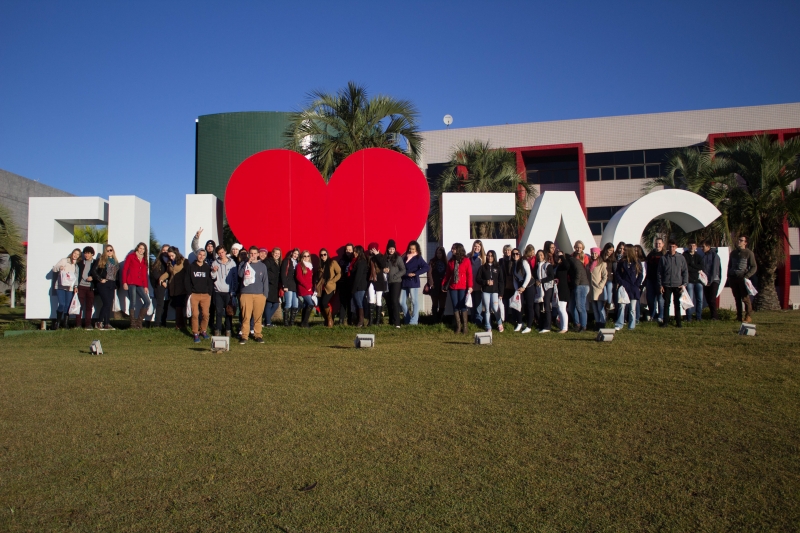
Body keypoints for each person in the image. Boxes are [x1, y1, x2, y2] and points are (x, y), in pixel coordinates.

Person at [238, 246, 269, 344]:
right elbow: (240, 275)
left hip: (259, 294)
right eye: (251, 253)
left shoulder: (262, 266)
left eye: (255, 253)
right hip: (246, 294)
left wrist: (265, 295)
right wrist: (247, 263)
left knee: (258, 317)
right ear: (248, 254)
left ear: (258, 254)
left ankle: (258, 335)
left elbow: (265, 281)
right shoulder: (243, 263)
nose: (253, 255)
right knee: (246, 317)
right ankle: (244, 335)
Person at [442, 242, 473, 335]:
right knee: (455, 306)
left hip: (463, 287)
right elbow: (447, 274)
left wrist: (470, 286)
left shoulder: (466, 260)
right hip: (453, 287)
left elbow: (469, 274)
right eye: (452, 248)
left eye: (454, 248)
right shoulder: (451, 261)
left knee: (463, 306)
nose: (452, 250)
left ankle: (465, 327)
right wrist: (443, 284)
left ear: (459, 249)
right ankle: (458, 326)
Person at [657, 239, 689, 328]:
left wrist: (684, 284)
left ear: (676, 247)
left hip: (678, 285)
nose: (672, 248)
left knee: (677, 304)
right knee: (666, 304)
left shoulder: (681, 258)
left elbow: (685, 271)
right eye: (670, 246)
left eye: (673, 246)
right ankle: (665, 322)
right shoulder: (664, 258)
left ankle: (678, 322)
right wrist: (660, 285)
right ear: (668, 247)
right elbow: (659, 272)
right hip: (666, 285)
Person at [185, 249, 213, 342]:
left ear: (205, 257)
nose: (201, 256)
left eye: (203, 255)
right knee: (195, 314)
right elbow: (187, 280)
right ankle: (195, 333)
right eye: (200, 254)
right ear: (197, 255)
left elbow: (210, 281)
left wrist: (209, 292)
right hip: (194, 294)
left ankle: (203, 330)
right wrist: (190, 292)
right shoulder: (191, 267)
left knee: (206, 314)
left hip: (205, 295)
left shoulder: (207, 267)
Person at [728, 235, 757, 323]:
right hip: (733, 277)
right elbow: (730, 265)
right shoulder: (733, 253)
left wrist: (747, 276)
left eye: (741, 240)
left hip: (742, 278)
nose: (739, 241)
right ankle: (739, 316)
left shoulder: (749, 253)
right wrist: (729, 275)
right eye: (739, 240)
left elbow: (754, 266)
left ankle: (748, 316)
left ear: (745, 243)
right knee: (737, 298)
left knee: (745, 298)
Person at [122, 242, 151, 330]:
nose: (141, 250)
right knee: (133, 302)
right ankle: (132, 323)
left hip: (140, 283)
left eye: (143, 249)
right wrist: (124, 282)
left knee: (147, 301)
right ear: (137, 248)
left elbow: (144, 274)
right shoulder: (131, 256)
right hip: (131, 282)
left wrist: (146, 286)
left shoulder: (144, 259)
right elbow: (125, 269)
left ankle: (139, 322)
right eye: (140, 248)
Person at [210, 245, 237, 336]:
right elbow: (213, 277)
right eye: (219, 253)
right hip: (218, 291)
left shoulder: (232, 263)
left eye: (222, 252)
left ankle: (228, 329)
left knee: (229, 312)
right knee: (218, 312)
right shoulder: (215, 263)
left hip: (229, 292)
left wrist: (233, 290)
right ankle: (218, 329)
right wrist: (213, 271)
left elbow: (235, 278)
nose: (221, 254)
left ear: (225, 252)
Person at [614, 245, 643, 331]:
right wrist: (621, 282)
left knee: (632, 308)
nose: (623, 251)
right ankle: (620, 324)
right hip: (624, 286)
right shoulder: (622, 262)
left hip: (633, 287)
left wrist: (637, 284)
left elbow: (640, 274)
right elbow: (617, 273)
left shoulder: (637, 262)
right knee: (622, 306)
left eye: (625, 250)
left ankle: (631, 326)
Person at [400, 241, 429, 325]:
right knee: (401, 301)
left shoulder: (418, 258)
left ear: (417, 249)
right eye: (410, 248)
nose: (411, 250)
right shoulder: (405, 257)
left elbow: (426, 267)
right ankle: (407, 319)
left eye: (413, 249)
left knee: (414, 301)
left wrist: (416, 273)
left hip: (413, 282)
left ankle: (414, 321)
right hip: (404, 281)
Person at [52, 248, 81, 330]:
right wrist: (60, 267)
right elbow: (54, 269)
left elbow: (76, 277)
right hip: (60, 286)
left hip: (69, 287)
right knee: (62, 304)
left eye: (77, 254)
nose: (75, 255)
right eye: (75, 253)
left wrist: (76, 286)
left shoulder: (76, 265)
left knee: (68, 305)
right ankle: (57, 322)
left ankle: (65, 323)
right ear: (72, 253)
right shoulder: (64, 260)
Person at [477, 250, 504, 332]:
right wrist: (486, 282)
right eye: (488, 255)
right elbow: (478, 279)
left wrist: (501, 293)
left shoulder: (498, 268)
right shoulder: (482, 268)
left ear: (494, 257)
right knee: (487, 309)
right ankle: (488, 326)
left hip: (495, 292)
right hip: (485, 291)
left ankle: (500, 323)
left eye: (491, 256)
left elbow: (501, 281)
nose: (490, 257)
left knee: (495, 308)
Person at [94, 244, 120, 330]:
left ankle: (107, 323)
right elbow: (93, 271)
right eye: (107, 250)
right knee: (106, 303)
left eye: (110, 250)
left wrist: (117, 285)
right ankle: (99, 322)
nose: (109, 252)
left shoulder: (115, 262)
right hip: (103, 284)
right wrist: (100, 279)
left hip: (112, 284)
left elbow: (117, 275)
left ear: (113, 251)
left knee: (109, 304)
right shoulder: (101, 260)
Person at [164, 246, 189, 331]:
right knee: (177, 306)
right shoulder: (169, 262)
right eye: (169, 256)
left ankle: (178, 325)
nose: (171, 257)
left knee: (179, 306)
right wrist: (161, 278)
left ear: (176, 254)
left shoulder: (184, 261)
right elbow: (168, 273)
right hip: (173, 287)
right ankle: (182, 324)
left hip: (182, 287)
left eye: (172, 255)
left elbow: (188, 272)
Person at [511, 247, 534, 333]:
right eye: (513, 254)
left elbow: (528, 274)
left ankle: (529, 326)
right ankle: (520, 323)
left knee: (529, 306)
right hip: (520, 286)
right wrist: (517, 289)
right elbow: (514, 278)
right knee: (518, 305)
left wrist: (524, 286)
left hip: (529, 286)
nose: (515, 255)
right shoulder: (514, 264)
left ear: (520, 254)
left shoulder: (524, 262)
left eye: (517, 254)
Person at [569, 241, 590, 332]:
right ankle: (577, 323)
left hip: (581, 283)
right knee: (572, 306)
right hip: (574, 283)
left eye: (580, 247)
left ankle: (583, 325)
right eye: (577, 247)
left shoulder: (585, 257)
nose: (578, 249)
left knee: (580, 306)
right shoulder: (571, 256)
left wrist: (576, 283)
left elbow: (582, 272)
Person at [75, 246, 98, 330]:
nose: (86, 255)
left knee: (89, 306)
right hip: (81, 286)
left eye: (88, 253)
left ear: (92, 254)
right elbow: (76, 275)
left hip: (90, 288)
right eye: (85, 253)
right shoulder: (80, 263)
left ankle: (88, 324)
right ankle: (78, 324)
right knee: (79, 306)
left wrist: (93, 277)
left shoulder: (95, 263)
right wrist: (76, 286)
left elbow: (99, 273)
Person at [317, 248, 341, 327]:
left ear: (327, 254)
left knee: (324, 302)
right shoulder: (320, 265)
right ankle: (326, 320)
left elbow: (339, 273)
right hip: (321, 288)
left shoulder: (332, 262)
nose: (323, 256)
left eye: (325, 254)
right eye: (321, 255)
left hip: (330, 287)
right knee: (320, 304)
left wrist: (333, 281)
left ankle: (330, 320)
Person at [532, 249, 554, 333]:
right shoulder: (537, 266)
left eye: (541, 255)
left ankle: (547, 326)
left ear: (544, 256)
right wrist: (536, 281)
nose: (539, 256)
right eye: (538, 255)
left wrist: (541, 281)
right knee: (537, 308)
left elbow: (551, 276)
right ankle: (541, 325)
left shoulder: (548, 265)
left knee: (546, 306)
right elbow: (535, 276)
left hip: (547, 288)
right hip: (539, 288)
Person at [682, 240, 704, 322]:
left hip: (698, 281)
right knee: (689, 300)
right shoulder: (685, 255)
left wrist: (692, 266)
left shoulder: (698, 256)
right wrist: (695, 268)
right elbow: (686, 267)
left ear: (696, 247)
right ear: (688, 246)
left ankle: (699, 317)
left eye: (693, 245)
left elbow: (701, 266)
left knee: (700, 299)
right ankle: (689, 317)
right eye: (690, 245)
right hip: (689, 280)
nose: (692, 247)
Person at [385, 240, 406, 328]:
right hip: (387, 282)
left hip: (396, 282)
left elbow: (403, 270)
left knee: (394, 300)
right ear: (387, 249)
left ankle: (397, 322)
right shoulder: (385, 258)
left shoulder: (398, 258)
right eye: (390, 249)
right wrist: (384, 270)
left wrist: (396, 275)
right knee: (388, 301)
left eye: (393, 249)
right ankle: (391, 320)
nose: (391, 250)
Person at [150, 244, 171, 327]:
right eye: (163, 250)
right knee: (160, 305)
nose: (165, 252)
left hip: (168, 287)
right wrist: (162, 282)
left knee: (166, 306)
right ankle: (157, 324)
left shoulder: (170, 262)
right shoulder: (157, 262)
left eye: (167, 250)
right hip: (159, 286)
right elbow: (155, 274)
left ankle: (163, 323)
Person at [645, 238, 665, 323]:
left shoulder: (664, 254)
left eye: (659, 243)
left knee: (660, 299)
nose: (658, 245)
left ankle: (661, 316)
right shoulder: (650, 254)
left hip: (660, 281)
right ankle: (653, 315)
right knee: (650, 299)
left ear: (663, 244)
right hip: (650, 279)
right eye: (656, 243)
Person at [367, 243, 387, 326]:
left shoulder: (381, 256)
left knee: (379, 299)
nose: (372, 251)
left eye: (374, 249)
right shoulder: (368, 257)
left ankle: (378, 321)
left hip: (379, 280)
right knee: (371, 299)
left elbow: (383, 265)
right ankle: (371, 321)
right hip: (371, 280)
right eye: (371, 249)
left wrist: (377, 255)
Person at [349, 245, 369, 327]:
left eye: (356, 251)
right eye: (354, 251)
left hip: (359, 286)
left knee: (359, 303)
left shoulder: (361, 262)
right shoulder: (356, 261)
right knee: (358, 303)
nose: (354, 253)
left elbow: (358, 275)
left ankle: (361, 321)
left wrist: (354, 288)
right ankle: (359, 320)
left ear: (359, 252)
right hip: (357, 286)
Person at [427, 246, 448, 323]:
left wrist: (446, 285)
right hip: (434, 285)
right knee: (435, 303)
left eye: (440, 253)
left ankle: (440, 319)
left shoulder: (446, 262)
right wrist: (431, 284)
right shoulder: (432, 261)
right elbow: (429, 273)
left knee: (442, 304)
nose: (439, 255)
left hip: (443, 286)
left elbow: (448, 274)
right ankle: (435, 320)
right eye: (437, 253)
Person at [295, 251, 316, 328]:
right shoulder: (299, 265)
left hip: (309, 289)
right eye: (305, 256)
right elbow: (299, 277)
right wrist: (307, 286)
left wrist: (312, 287)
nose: (306, 257)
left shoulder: (310, 265)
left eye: (308, 256)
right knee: (311, 304)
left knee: (306, 305)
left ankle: (303, 323)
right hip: (303, 288)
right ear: (302, 257)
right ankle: (305, 323)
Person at [588, 247, 608, 329]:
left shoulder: (602, 264)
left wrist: (601, 285)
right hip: (591, 289)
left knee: (600, 307)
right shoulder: (589, 264)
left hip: (598, 289)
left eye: (595, 253)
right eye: (592, 253)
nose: (594, 255)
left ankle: (602, 323)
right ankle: (597, 323)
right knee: (595, 308)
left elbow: (605, 276)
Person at [701, 240, 722, 320]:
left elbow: (715, 269)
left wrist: (710, 280)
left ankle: (714, 316)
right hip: (706, 281)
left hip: (714, 281)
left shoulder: (715, 256)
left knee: (712, 298)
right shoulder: (704, 256)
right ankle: (711, 315)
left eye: (703, 246)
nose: (702, 248)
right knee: (708, 298)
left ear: (708, 247)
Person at [280, 248, 300, 326]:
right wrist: (285, 285)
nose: (296, 255)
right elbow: (283, 274)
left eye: (297, 254)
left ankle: (292, 322)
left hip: (295, 286)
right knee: (288, 303)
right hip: (288, 285)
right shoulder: (287, 261)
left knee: (295, 304)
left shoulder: (298, 262)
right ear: (292, 253)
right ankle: (285, 322)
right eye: (295, 253)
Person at [468, 240, 486, 326]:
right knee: (471, 302)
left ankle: (478, 319)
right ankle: (472, 319)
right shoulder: (469, 256)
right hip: (471, 283)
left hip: (479, 283)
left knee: (478, 302)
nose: (477, 248)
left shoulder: (484, 257)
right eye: (475, 246)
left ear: (481, 247)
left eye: (478, 246)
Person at [337, 244, 355, 325]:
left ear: (353, 250)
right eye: (347, 249)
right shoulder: (341, 260)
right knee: (342, 303)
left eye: (350, 250)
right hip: (342, 283)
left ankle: (350, 320)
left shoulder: (354, 259)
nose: (348, 251)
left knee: (350, 303)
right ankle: (341, 320)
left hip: (351, 283)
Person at [263, 248, 281, 327]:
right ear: (273, 253)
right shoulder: (269, 261)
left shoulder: (277, 262)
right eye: (276, 253)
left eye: (278, 254)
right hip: (270, 285)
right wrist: (271, 278)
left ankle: (266, 321)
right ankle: (268, 322)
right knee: (269, 303)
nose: (277, 255)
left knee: (275, 304)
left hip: (275, 286)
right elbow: (264, 270)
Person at [553, 251, 570, 333]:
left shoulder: (563, 266)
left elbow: (567, 266)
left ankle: (565, 328)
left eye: (559, 257)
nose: (558, 258)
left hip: (563, 289)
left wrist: (562, 256)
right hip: (557, 289)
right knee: (559, 309)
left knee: (562, 308)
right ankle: (562, 326)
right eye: (556, 256)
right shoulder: (556, 266)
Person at [499, 244, 515, 322]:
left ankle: (513, 317)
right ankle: (505, 318)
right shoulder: (501, 260)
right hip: (504, 284)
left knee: (513, 301)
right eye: (505, 250)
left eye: (509, 250)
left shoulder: (513, 260)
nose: (507, 252)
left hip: (512, 283)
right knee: (505, 302)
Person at [601, 243, 616, 312]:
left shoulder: (613, 259)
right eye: (610, 250)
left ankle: (609, 304)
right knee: (604, 296)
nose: (611, 252)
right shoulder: (601, 257)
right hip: (602, 278)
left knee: (609, 291)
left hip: (610, 279)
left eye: (612, 250)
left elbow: (614, 270)